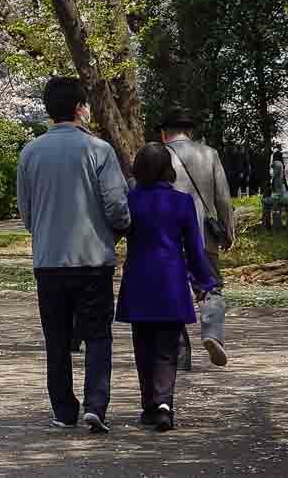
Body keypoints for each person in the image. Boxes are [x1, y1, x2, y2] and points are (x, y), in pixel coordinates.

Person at [17, 77, 130, 434]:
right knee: (97, 334)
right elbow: (116, 205)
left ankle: (64, 410)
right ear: (81, 108)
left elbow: (26, 211)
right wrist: (120, 227)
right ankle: (96, 404)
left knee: (57, 338)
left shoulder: (30, 152)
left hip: (49, 260)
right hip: (93, 257)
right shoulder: (99, 150)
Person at [116, 144, 217, 432]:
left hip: (138, 280)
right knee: (167, 348)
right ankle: (164, 403)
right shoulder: (182, 202)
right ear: (167, 168)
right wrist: (204, 281)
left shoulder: (130, 201)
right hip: (171, 281)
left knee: (143, 346)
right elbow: (195, 249)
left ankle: (148, 404)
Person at [159, 108, 234, 368]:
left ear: (163, 133)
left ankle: (181, 355)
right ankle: (212, 333)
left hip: (168, 237)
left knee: (172, 292)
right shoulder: (209, 154)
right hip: (204, 236)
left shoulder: (160, 155)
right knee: (211, 287)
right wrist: (228, 230)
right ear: (190, 131)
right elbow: (223, 197)